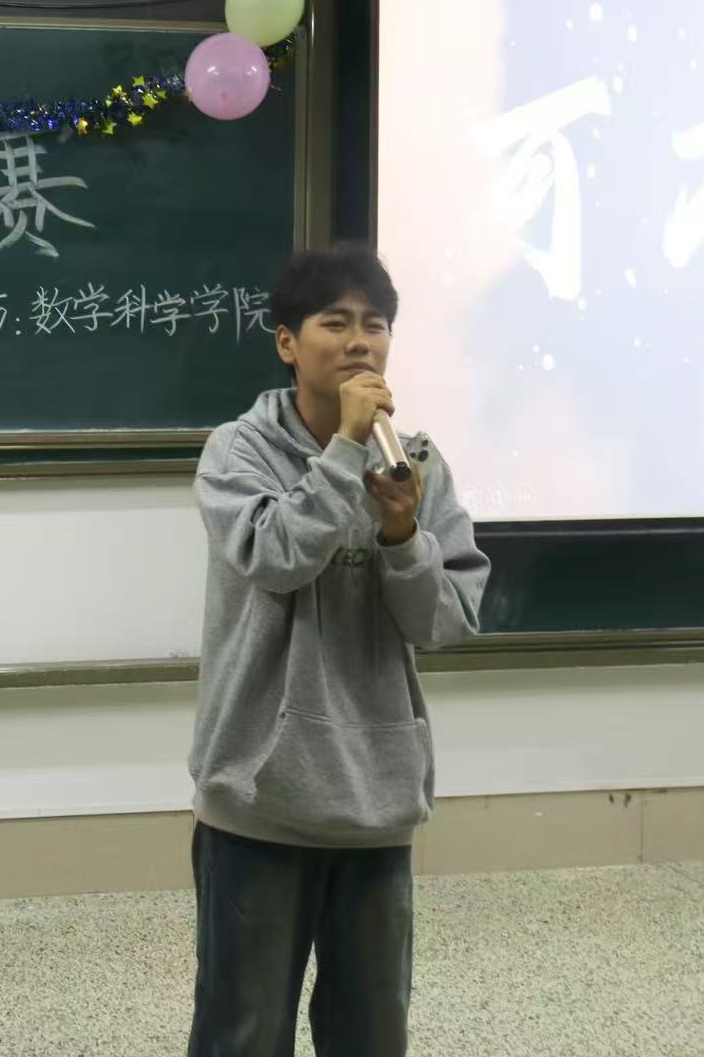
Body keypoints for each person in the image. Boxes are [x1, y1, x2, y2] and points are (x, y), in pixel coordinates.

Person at [187, 244, 491, 1057]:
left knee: (371, 1033)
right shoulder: (237, 452)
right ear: (288, 342)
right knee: (243, 1033)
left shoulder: (415, 462)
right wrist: (345, 451)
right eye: (336, 323)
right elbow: (276, 557)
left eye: (375, 324)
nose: (360, 341)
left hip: (375, 796)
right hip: (259, 798)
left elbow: (445, 621)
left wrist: (402, 534)